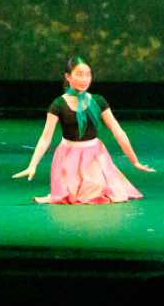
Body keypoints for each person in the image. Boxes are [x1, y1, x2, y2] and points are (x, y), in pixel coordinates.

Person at [15, 57, 151, 203]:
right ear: (68, 77)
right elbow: (45, 138)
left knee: (95, 190)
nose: (84, 79)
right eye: (79, 74)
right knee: (74, 195)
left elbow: (117, 131)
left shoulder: (98, 101)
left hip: (95, 156)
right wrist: (32, 165)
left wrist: (134, 161)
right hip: (68, 156)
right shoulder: (58, 104)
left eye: (88, 74)